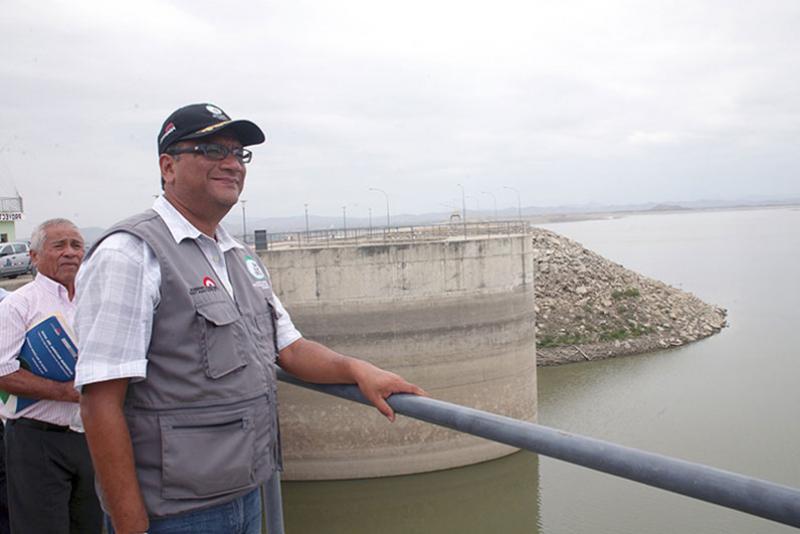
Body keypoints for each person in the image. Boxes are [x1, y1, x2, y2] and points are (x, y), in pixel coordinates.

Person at [74, 103, 425, 534]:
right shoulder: (130, 254)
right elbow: (99, 401)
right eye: (210, 149)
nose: (231, 163)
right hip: (175, 513)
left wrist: (356, 369)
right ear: (168, 166)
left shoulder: (238, 257)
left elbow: (290, 348)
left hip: (246, 492)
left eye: (239, 153)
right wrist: (130, 524)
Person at [0, 219, 102, 534]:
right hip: (37, 441)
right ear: (34, 256)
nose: (70, 253)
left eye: (76, 245)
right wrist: (66, 392)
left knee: (90, 526)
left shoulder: (95, 299)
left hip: (91, 438)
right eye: (59, 246)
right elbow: (2, 372)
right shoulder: (20, 304)